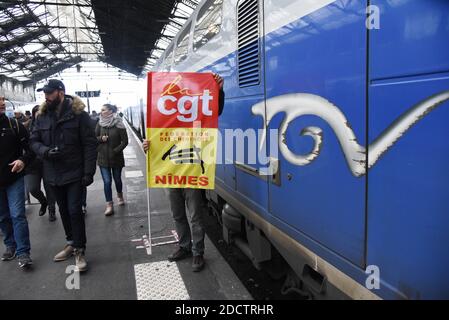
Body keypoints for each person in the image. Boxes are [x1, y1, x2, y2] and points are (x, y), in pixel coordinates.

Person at [142, 74, 224, 272]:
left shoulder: (197, 114)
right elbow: (157, 142)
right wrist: (148, 146)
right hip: (171, 172)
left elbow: (215, 111)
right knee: (177, 214)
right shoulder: (164, 120)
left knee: (195, 215)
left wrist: (219, 91)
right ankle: (184, 247)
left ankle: (198, 252)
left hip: (191, 170)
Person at [30, 80, 97, 272]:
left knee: (75, 210)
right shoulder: (41, 116)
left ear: (61, 92)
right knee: (63, 210)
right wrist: (45, 152)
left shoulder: (79, 115)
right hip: (52, 173)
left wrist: (88, 172)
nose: (46, 97)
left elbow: (90, 144)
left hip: (75, 172)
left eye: (50, 93)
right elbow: (33, 140)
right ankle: (71, 242)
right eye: (45, 93)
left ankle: (79, 250)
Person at [0, 95, 35, 268]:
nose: (2, 103)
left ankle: (23, 252)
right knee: (3, 217)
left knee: (18, 215)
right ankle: (10, 245)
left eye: (2, 100)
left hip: (14, 178)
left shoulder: (14, 125)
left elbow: (30, 149)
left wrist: (22, 160)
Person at [24, 105, 57, 222]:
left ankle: (52, 210)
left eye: (41, 112)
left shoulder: (50, 124)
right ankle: (44, 202)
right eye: (36, 112)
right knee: (32, 188)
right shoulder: (26, 127)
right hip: (31, 164)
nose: (39, 114)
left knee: (50, 188)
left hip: (47, 161)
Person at [96, 104, 128, 216]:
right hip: (103, 158)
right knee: (107, 181)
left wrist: (115, 151)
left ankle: (120, 195)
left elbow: (125, 141)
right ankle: (109, 205)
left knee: (117, 179)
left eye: (103, 109)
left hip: (116, 158)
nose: (101, 111)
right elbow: (93, 139)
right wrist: (101, 139)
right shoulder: (99, 124)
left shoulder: (119, 124)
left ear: (110, 111)